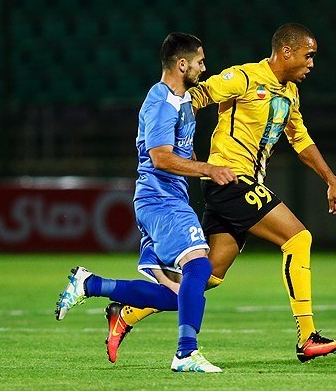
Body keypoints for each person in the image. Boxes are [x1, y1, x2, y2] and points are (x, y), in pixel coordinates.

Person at [105, 22, 336, 364]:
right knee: (298, 238)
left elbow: (300, 139)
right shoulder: (243, 78)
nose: (312, 64)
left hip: (242, 182)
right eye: (308, 56)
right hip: (229, 180)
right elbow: (196, 95)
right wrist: (182, 151)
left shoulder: (290, 92)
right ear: (287, 51)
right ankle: (307, 336)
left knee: (205, 276)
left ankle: (125, 314)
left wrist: (330, 178)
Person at [55, 32, 237, 373]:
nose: (204, 67)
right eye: (200, 61)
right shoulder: (160, 101)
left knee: (177, 295)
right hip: (161, 199)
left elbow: (182, 151)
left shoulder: (182, 101)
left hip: (167, 199)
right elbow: (160, 158)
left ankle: (90, 284)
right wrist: (209, 169)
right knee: (200, 267)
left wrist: (207, 172)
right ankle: (186, 353)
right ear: (182, 64)